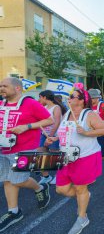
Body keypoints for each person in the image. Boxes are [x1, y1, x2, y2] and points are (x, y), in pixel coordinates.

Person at [46, 84, 104, 234]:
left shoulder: (90, 115)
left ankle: (82, 217)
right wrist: (53, 138)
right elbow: (63, 133)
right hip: (66, 156)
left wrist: (85, 132)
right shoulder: (67, 114)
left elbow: (103, 130)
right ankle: (84, 196)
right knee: (61, 189)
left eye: (72, 96)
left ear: (81, 101)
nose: (69, 98)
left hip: (85, 157)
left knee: (80, 187)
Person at [0, 77, 53, 232]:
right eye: (0, 86)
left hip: (24, 148)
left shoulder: (30, 103)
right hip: (4, 148)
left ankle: (39, 187)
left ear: (17, 88)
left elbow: (49, 120)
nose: (1, 88)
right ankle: (14, 212)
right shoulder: (2, 103)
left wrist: (27, 126)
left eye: (5, 86)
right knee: (7, 179)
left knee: (18, 180)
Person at [38, 90, 67, 185]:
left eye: (40, 97)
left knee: (56, 157)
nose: (39, 99)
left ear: (45, 97)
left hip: (54, 135)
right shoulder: (44, 107)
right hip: (43, 134)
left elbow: (57, 122)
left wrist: (50, 136)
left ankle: (59, 176)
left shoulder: (56, 107)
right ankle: (46, 176)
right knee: (40, 154)